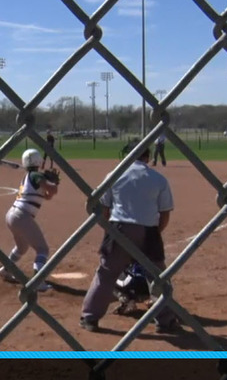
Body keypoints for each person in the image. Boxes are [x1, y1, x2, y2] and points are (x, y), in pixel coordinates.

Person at [80, 140, 180, 333]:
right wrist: (154, 233)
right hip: (149, 231)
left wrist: (113, 230)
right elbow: (165, 213)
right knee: (159, 277)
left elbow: (104, 209)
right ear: (147, 156)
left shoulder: (114, 176)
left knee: (106, 274)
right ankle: (165, 320)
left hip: (119, 229)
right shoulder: (158, 178)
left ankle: (89, 317)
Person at [0, 149, 59, 293]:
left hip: (13, 215)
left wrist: (49, 183)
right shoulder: (36, 175)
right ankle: (38, 281)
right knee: (42, 249)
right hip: (22, 216)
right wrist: (54, 183)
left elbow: (48, 196)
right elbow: (53, 191)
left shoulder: (29, 177)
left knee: (22, 248)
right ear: (38, 161)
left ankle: (5, 270)